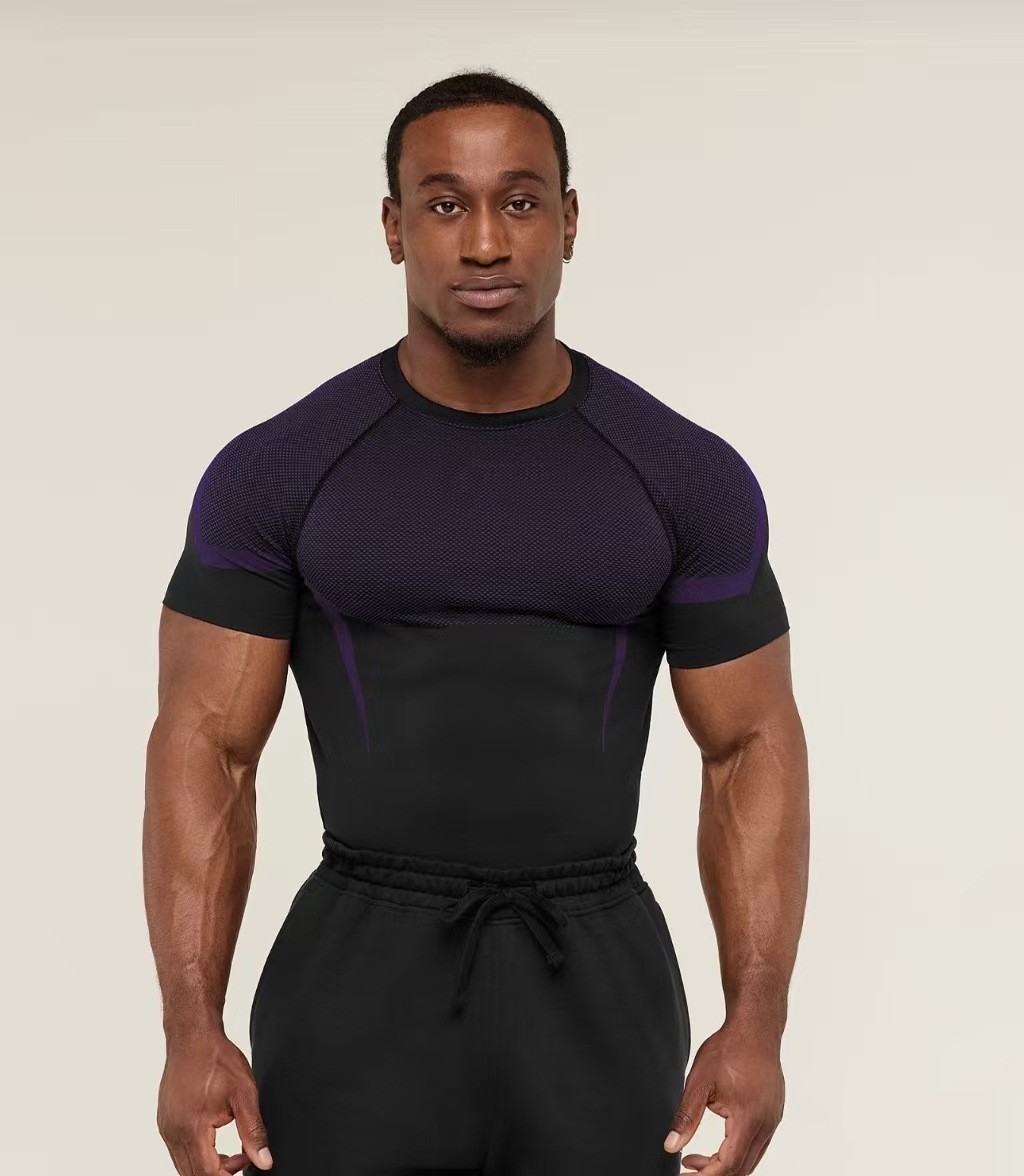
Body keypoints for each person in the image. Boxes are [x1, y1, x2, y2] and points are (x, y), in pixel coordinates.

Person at [144, 68, 809, 1176]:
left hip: (599, 981)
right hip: (354, 983)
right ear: (394, 228)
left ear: (570, 222)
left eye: (521, 201)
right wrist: (187, 1031)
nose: (487, 243)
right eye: (446, 204)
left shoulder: (682, 476)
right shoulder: (279, 473)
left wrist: (758, 1025)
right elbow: (205, 746)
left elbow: (750, 744)